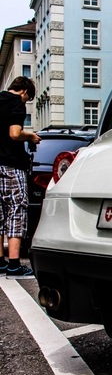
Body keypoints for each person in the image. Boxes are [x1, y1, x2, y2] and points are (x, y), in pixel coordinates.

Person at [0, 76, 40, 278]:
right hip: (11, 165)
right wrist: (31, 135)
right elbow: (15, 134)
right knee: (15, 210)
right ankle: (14, 265)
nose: (26, 101)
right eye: (28, 98)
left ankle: (0, 263)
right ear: (24, 91)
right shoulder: (16, 103)